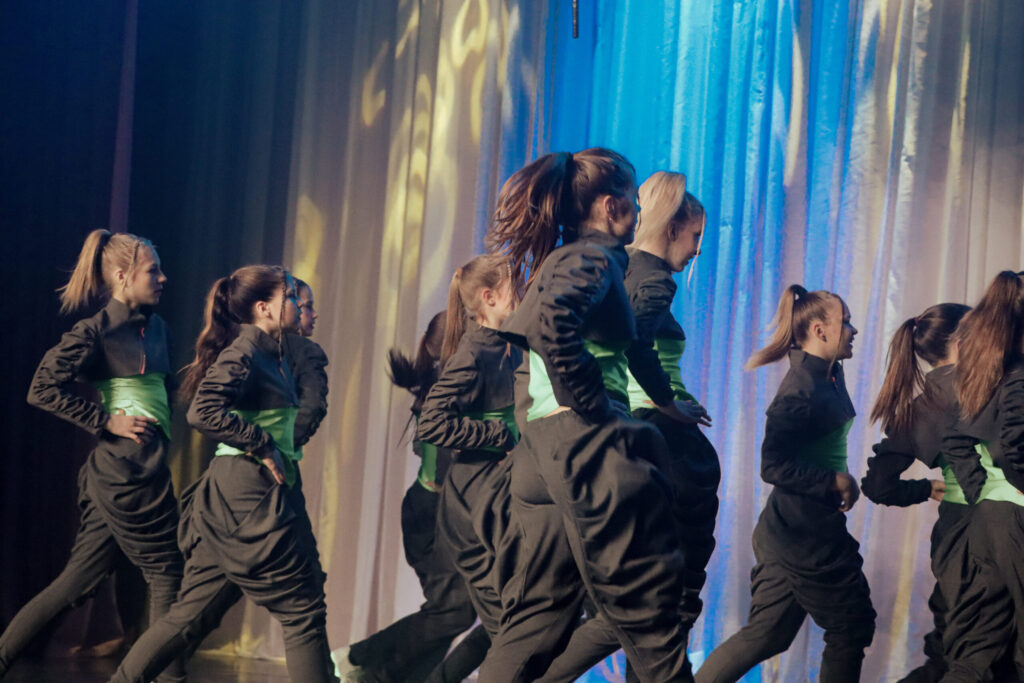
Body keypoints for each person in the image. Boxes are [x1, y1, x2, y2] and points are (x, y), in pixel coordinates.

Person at [108, 265, 337, 683]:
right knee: (302, 610)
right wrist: (262, 443)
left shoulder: (274, 353)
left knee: (190, 614)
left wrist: (276, 446)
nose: (299, 305)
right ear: (264, 308)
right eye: (291, 296)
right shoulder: (245, 352)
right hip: (248, 496)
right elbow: (203, 411)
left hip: (247, 494)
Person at [1, 230, 184, 682]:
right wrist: (105, 420)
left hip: (147, 469)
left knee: (76, 583)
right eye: (153, 271)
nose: (163, 277)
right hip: (123, 473)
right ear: (122, 276)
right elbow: (41, 389)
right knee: (166, 573)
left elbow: (166, 392)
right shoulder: (96, 331)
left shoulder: (158, 328)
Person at [695, 285, 875, 683]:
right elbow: (773, 465)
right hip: (803, 534)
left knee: (769, 634)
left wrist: (839, 481)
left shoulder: (829, 374)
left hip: (791, 529)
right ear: (820, 330)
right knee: (851, 625)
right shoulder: (800, 390)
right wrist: (834, 480)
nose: (854, 330)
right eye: (846, 322)